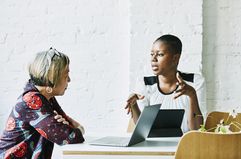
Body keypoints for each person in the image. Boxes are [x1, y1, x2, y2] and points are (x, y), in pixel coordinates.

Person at [0, 48, 85, 159]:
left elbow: (69, 127)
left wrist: (73, 127)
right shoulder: (32, 101)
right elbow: (70, 137)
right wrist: (77, 129)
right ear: (51, 82)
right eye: (65, 76)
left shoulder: (46, 97)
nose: (69, 80)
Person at [125, 34, 203, 132]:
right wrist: (134, 105)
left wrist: (192, 94)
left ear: (175, 58)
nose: (153, 59)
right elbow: (143, 129)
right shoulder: (145, 83)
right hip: (154, 146)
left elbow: (197, 130)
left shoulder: (195, 82)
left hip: (185, 144)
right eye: (152, 54)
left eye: (160, 54)